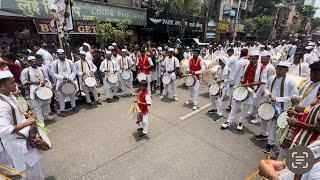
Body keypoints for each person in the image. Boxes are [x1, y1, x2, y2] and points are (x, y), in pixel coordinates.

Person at [0, 69, 43, 180]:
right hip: (17, 143)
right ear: (1, 86)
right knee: (30, 172)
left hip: (23, 140)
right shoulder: (1, 105)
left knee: (34, 169)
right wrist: (27, 123)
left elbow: (15, 113)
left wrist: (25, 114)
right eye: (12, 83)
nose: (15, 84)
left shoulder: (10, 96)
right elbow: (4, 130)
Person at [254, 61, 299, 154]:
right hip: (268, 102)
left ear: (286, 70)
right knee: (263, 118)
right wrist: (268, 94)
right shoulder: (271, 78)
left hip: (281, 106)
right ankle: (263, 134)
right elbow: (266, 88)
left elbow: (294, 96)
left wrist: (277, 99)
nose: (278, 70)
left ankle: (270, 143)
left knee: (274, 125)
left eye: (281, 69)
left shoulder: (291, 81)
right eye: (277, 68)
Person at [221, 50, 267, 131]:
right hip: (242, 87)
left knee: (245, 107)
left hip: (252, 89)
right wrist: (242, 79)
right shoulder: (246, 65)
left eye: (253, 59)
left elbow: (263, 81)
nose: (251, 60)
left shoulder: (262, 68)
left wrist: (250, 84)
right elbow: (242, 75)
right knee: (235, 106)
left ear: (257, 58)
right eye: (250, 59)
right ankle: (228, 121)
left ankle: (241, 122)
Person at [20, 56, 53, 125]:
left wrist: (44, 82)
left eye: (35, 61)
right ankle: (41, 121)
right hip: (34, 90)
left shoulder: (41, 69)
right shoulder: (26, 71)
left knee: (45, 103)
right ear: (29, 63)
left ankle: (46, 116)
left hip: (43, 88)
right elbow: (24, 82)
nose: (34, 63)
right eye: (32, 62)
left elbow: (46, 78)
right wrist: (34, 82)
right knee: (37, 106)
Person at [51, 49, 79, 117]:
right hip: (61, 82)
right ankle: (62, 110)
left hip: (70, 80)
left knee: (72, 94)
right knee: (61, 97)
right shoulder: (54, 63)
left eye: (63, 54)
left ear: (64, 54)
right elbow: (53, 73)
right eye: (60, 54)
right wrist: (61, 78)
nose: (61, 55)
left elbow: (74, 71)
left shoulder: (69, 62)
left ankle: (74, 106)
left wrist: (70, 78)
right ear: (57, 55)